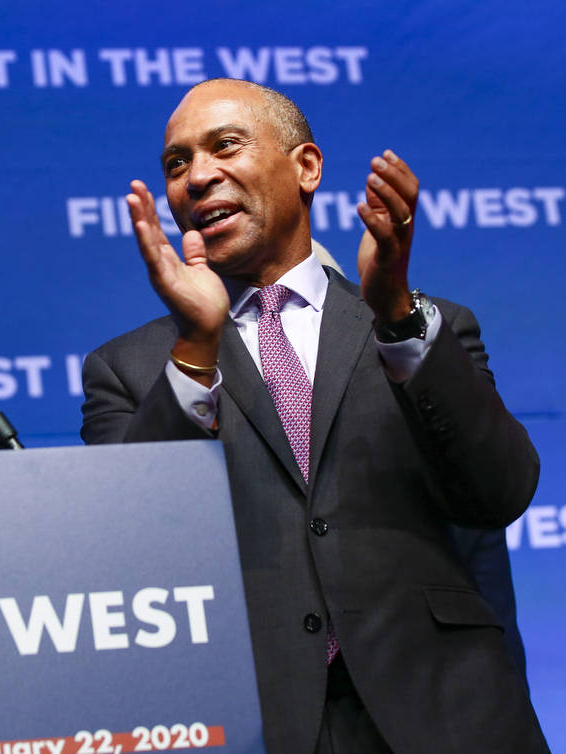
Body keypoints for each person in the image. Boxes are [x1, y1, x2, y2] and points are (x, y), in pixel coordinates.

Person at [80, 79, 547, 753]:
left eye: (225, 146)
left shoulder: (418, 327)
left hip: (448, 717)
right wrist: (194, 351)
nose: (198, 177)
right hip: (254, 726)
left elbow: (500, 491)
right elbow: (126, 559)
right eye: (177, 164)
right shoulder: (129, 368)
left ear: (307, 167)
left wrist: (398, 318)